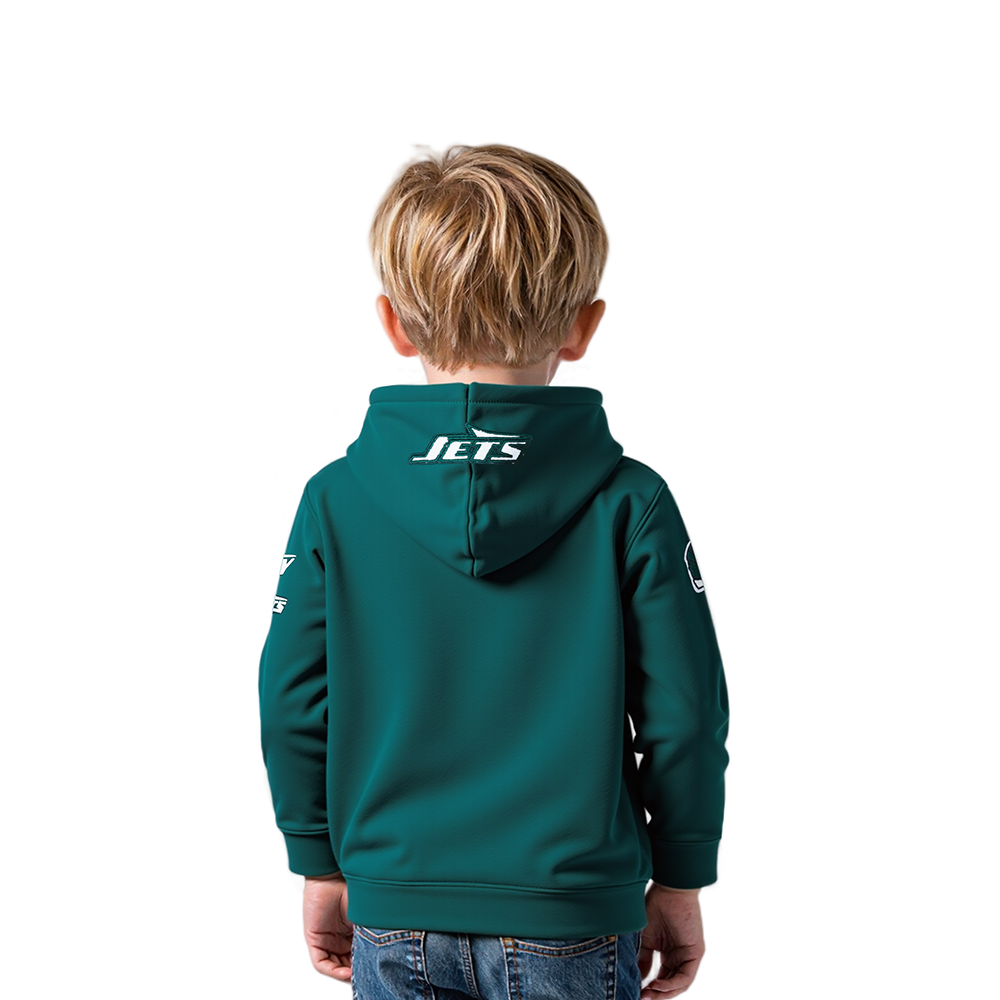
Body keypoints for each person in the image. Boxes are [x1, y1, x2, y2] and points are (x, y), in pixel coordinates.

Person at [258, 144, 730, 1000]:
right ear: (583, 328)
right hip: (574, 912)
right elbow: (685, 713)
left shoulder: (336, 499)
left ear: (395, 324)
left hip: (394, 906)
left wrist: (317, 860)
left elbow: (292, 701)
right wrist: (682, 875)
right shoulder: (632, 503)